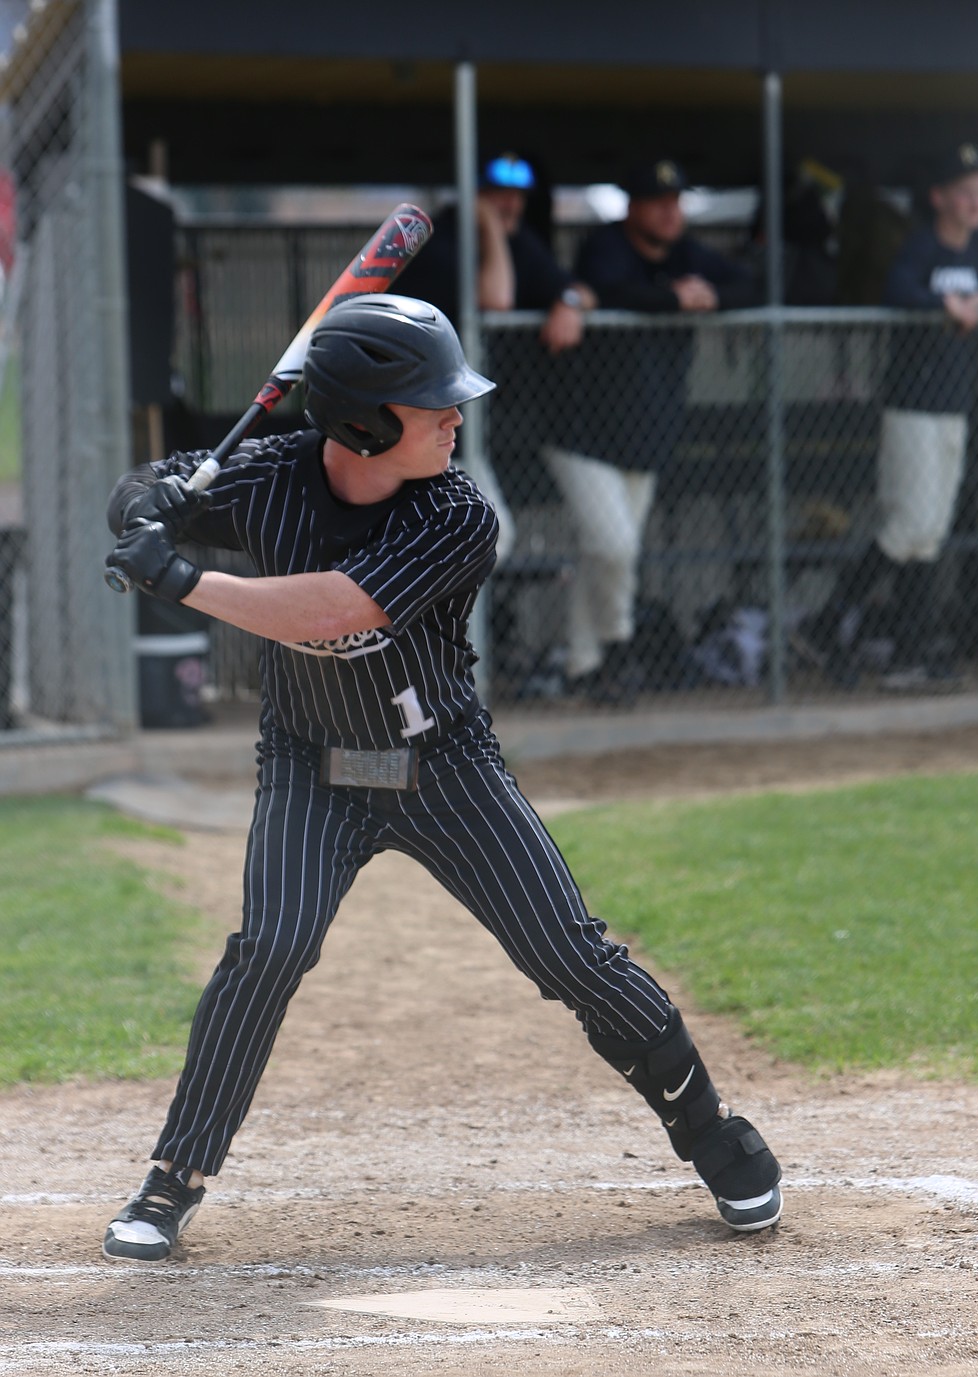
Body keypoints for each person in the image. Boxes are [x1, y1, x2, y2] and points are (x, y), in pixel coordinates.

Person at [100, 293, 782, 1262]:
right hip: (311, 764)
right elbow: (136, 493)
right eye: (432, 404)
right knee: (270, 949)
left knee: (571, 956)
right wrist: (149, 504)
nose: (456, 418)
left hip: (443, 766)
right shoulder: (267, 477)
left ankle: (709, 1129)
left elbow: (330, 612)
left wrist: (183, 579)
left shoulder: (460, 514)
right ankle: (174, 1177)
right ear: (365, 424)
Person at [809, 143, 978, 692]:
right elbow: (899, 291)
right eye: (964, 193)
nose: (975, 202)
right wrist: (946, 306)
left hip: (954, 406)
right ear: (939, 198)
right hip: (912, 405)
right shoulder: (921, 246)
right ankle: (826, 624)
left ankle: (908, 656)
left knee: (931, 534)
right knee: (910, 525)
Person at [545, 158, 758, 705]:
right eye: (658, 201)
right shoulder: (607, 244)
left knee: (610, 553)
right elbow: (608, 288)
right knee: (613, 546)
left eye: (676, 200)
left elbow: (750, 284)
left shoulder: (686, 252)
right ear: (633, 206)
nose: (670, 211)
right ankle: (619, 650)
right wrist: (673, 297)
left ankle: (582, 667)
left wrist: (707, 295)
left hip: (644, 436)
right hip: (581, 432)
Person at [393, 152, 598, 563]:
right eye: (496, 195)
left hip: (460, 423)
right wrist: (486, 223)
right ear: (473, 196)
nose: (511, 205)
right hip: (414, 418)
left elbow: (582, 290)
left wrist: (568, 301)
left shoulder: (517, 240)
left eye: (516, 196)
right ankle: (440, 626)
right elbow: (497, 301)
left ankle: (442, 625)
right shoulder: (441, 239)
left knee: (485, 536)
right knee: (490, 535)